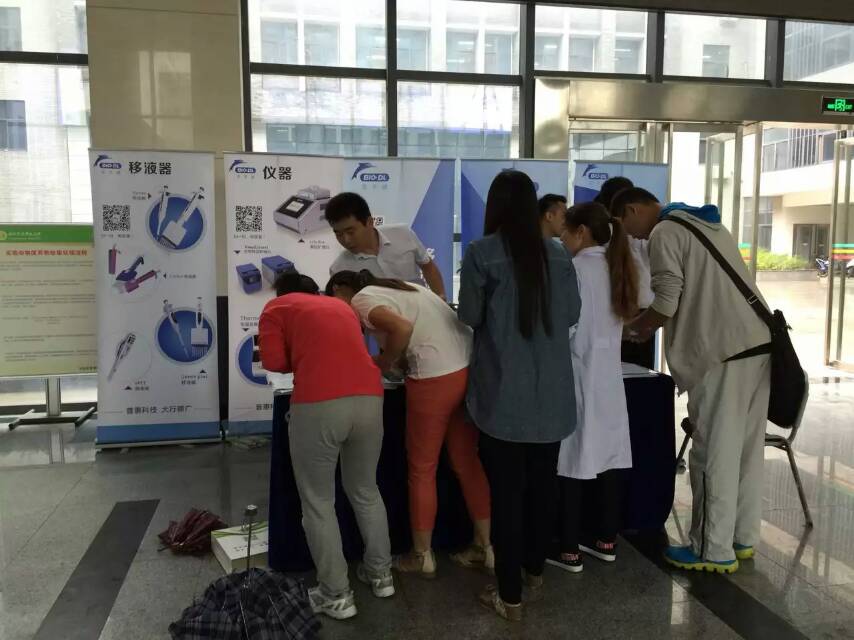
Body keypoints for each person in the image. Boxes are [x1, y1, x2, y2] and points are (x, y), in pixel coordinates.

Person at [611, 188, 772, 574]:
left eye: (628, 228)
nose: (634, 238)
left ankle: (711, 549)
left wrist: (635, 330)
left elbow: (667, 300)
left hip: (720, 351)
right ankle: (742, 537)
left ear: (632, 209)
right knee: (746, 449)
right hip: (760, 342)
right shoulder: (706, 223)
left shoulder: (665, 231)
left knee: (713, 450)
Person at [458, 169, 581, 621]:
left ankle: (509, 597)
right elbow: (571, 312)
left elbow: (470, 315)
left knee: (507, 497)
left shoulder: (481, 252)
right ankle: (534, 572)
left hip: (502, 396)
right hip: (551, 395)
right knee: (543, 487)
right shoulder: (558, 252)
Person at [327, 269, 492, 578]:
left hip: (434, 378)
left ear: (339, 289)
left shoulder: (361, 300)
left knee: (422, 468)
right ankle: (486, 547)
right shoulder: (403, 288)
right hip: (467, 369)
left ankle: (421, 556)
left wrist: (384, 362)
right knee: (467, 462)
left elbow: (402, 329)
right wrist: (396, 357)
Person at [258, 271, 394, 620]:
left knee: (318, 502)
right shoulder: (341, 307)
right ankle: (381, 575)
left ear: (281, 291)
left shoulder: (276, 308)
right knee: (366, 491)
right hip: (370, 398)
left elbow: (274, 362)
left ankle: (336, 594)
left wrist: (301, 353)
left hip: (319, 402)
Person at [549, 202, 638, 574]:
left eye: (564, 233)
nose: (561, 239)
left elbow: (566, 324)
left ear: (580, 232)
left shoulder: (575, 269)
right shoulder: (616, 265)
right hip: (609, 379)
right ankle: (606, 540)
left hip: (577, 373)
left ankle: (569, 549)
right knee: (609, 458)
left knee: (572, 459)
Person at [325, 192, 447, 300]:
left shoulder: (403, 233)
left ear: (369, 222)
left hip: (421, 309)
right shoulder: (340, 269)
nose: (346, 240)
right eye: (338, 234)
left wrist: (440, 298)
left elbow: (428, 267)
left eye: (351, 232)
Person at [595, 177, 656, 369]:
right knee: (639, 371)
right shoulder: (615, 232)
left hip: (623, 308)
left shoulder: (603, 233)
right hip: (636, 308)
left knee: (621, 370)